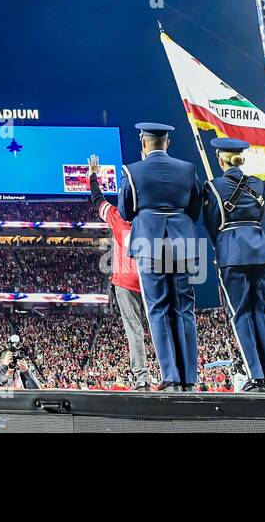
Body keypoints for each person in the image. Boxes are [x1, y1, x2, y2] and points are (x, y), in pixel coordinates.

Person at [89, 122, 203, 391]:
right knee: (184, 311)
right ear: (168, 142)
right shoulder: (187, 169)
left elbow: (122, 209)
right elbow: (194, 209)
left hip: (145, 255)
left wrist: (92, 177)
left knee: (157, 314)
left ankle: (168, 377)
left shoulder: (132, 172)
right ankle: (189, 378)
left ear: (143, 142)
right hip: (182, 244)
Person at [202, 137, 265, 392]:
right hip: (263, 250)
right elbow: (264, 216)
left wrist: (223, 244)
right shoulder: (260, 184)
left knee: (243, 313)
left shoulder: (213, 187)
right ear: (242, 158)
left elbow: (212, 224)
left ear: (220, 159)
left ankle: (256, 375)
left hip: (232, 251)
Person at [94, 161, 150, 389]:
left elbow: (97, 200)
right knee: (159, 326)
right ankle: (172, 374)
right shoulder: (148, 217)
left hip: (126, 281)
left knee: (133, 328)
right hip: (150, 279)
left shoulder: (116, 217)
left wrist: (92, 177)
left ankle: (142, 378)